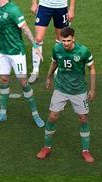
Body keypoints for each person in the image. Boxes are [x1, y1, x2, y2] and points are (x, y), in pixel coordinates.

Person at [36, 27, 96, 163]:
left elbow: (92, 68)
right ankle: (46, 147)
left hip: (78, 91)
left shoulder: (83, 51)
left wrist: (92, 89)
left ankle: (85, 150)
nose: (66, 43)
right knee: (52, 117)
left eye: (68, 40)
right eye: (63, 41)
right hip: (61, 89)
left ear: (73, 38)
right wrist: (48, 77)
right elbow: (55, 62)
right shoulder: (57, 49)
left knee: (83, 119)